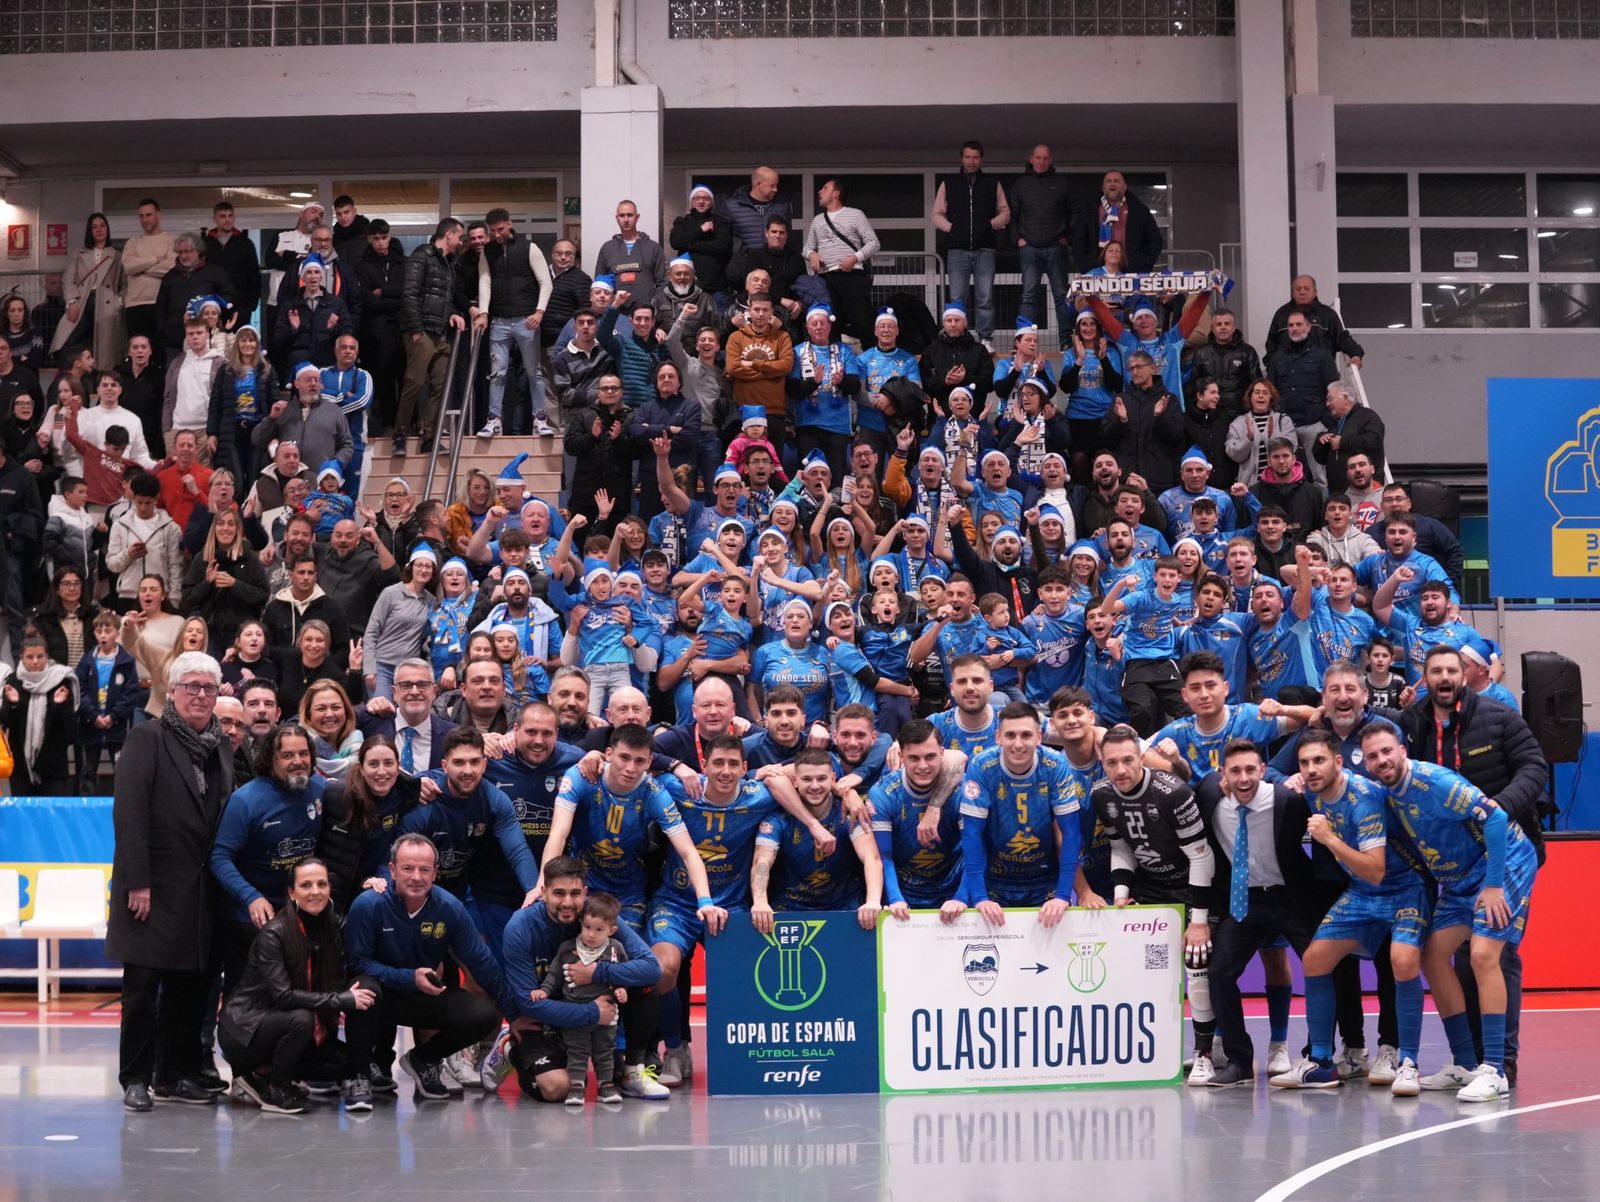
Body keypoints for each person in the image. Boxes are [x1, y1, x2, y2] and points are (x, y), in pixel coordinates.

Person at [1358, 721, 1538, 1103]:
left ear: (1402, 751)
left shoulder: (1434, 781)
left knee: (1483, 955)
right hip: (1458, 882)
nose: (1381, 760)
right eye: (1372, 756)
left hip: (1501, 865)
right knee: (1433, 955)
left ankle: (1495, 1071)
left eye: (1386, 751)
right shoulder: (1386, 794)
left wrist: (1492, 885)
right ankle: (1465, 1063)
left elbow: (1497, 818)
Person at [1268, 730, 1431, 1095]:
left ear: (1338, 762)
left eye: (1319, 761)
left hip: (1403, 890)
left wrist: (1328, 840)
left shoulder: (1364, 799)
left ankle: (1408, 1063)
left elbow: (1375, 869)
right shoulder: (1312, 788)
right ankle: (1322, 1063)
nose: (1311, 769)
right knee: (1315, 960)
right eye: (1305, 763)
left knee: (1403, 963)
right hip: (1361, 894)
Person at [106, 650, 233, 1111]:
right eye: (192, 687)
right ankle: (135, 1078)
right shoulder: (147, 738)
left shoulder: (220, 744)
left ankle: (173, 1074)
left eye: (209, 688)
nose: (201, 695)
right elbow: (130, 815)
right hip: (151, 888)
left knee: (190, 988)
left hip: (200, 888)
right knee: (141, 988)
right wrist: (137, 881)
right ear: (173, 692)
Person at [343, 831, 518, 1103]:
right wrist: (409, 978)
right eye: (408, 868)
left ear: (436, 872)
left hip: (421, 998)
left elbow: (483, 963)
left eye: (425, 869)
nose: (416, 877)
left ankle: (424, 1059)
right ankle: (360, 1075)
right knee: (362, 989)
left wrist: (514, 1014)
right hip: (379, 995)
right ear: (392, 870)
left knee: (485, 1014)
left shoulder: (449, 908)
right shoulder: (368, 905)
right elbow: (356, 963)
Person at [1092, 725, 1217, 1084]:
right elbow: (1120, 849)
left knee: (1198, 969)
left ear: (1141, 758)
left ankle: (1205, 1052)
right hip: (1152, 891)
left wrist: (1198, 920)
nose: (1121, 770)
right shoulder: (1102, 795)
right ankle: (1154, 1054)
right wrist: (1120, 894)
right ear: (1102, 763)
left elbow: (1201, 856)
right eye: (1112, 763)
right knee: (1148, 973)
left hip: (1192, 887)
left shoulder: (1172, 792)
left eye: (1128, 760)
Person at [1194, 739, 1320, 1088]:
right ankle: (1238, 1061)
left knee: (1322, 967)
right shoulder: (1211, 799)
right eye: (1235, 771)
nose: (1244, 777)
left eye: (1251, 769)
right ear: (1224, 775)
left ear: (1263, 771)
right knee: (1218, 971)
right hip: (1243, 902)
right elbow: (1200, 787)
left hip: (1290, 898)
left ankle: (1316, 1054)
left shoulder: (1287, 801)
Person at [217, 858, 376, 1114]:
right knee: (300, 1019)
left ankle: (261, 1074)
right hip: (245, 1029)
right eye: (306, 885)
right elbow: (284, 997)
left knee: (343, 1064)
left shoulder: (332, 926)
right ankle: (275, 1089)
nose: (315, 891)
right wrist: (343, 1000)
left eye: (322, 884)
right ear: (292, 893)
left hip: (288, 1023)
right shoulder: (274, 933)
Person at [943, 701, 1083, 924]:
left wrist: (1063, 895)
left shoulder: (1056, 765)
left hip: (1045, 883)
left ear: (1039, 737)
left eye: (1026, 735)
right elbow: (971, 835)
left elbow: (1071, 834)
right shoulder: (981, 766)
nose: (1018, 744)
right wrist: (978, 897)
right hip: (995, 884)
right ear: (998, 737)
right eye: (1010, 736)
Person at [531, 890, 634, 1106]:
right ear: (580, 924)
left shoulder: (616, 950)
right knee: (577, 1050)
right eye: (587, 927)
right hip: (574, 1013)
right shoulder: (568, 948)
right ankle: (576, 1085)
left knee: (605, 1050)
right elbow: (555, 975)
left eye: (598, 930)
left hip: (606, 1016)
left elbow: (622, 973)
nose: (591, 934)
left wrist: (621, 988)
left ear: (612, 930)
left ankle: (606, 1084)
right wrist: (545, 991)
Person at [474, 207, 555, 438]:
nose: (497, 234)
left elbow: (545, 283)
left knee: (533, 371)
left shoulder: (529, 248)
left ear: (509, 224)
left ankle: (539, 419)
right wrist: (483, 313)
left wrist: (539, 311)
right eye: (493, 231)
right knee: (497, 373)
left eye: (500, 229)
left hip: (526, 319)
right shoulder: (487, 251)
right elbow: (485, 281)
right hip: (499, 320)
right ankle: (494, 419)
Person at [396, 217, 467, 459]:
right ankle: (400, 435)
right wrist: (416, 329)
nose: (460, 242)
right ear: (448, 234)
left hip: (441, 331)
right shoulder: (422, 256)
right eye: (459, 236)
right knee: (414, 383)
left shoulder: (449, 263)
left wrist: (454, 314)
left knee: (440, 385)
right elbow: (410, 293)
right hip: (422, 330)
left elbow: (444, 298)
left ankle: (431, 437)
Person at [932, 141, 1010, 345]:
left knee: (985, 299)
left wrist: (990, 225)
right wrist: (951, 228)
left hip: (985, 249)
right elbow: (936, 214)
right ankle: (959, 338)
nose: (971, 161)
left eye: (975, 157)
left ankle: (985, 339)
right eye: (967, 157)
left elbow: (1005, 212)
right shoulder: (949, 183)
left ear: (981, 159)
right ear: (962, 159)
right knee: (958, 299)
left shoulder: (992, 183)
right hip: (957, 250)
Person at [1265, 311, 1341, 482]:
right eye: (1291, 325)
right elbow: (1271, 390)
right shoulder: (1277, 358)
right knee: (1282, 473)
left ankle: (1321, 509)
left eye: (1299, 324)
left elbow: (1333, 389)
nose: (1294, 328)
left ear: (1308, 327)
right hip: (1284, 425)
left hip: (1314, 424)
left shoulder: (1322, 355)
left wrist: (1326, 421)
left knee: (1320, 477)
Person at [803, 177, 879, 342]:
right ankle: (834, 360)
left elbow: (874, 243)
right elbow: (807, 247)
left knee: (862, 319)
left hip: (852, 276)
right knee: (831, 321)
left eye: (825, 188)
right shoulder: (817, 220)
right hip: (826, 277)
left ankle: (871, 360)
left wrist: (854, 258)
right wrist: (812, 255)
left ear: (836, 193)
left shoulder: (855, 214)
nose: (819, 192)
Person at [1, 635, 78, 794]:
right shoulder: (14, 681)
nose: (35, 661)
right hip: (21, 768)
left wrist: (58, 706)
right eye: (30, 657)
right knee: (24, 817)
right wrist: (14, 704)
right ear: (21, 658)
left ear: (47, 656)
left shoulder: (62, 681)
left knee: (52, 818)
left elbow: (71, 732)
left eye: (40, 656)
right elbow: (4, 723)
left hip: (53, 767)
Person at [53, 212, 127, 369]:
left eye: (102, 226)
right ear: (89, 231)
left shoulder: (117, 256)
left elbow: (125, 283)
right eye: (94, 227)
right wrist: (71, 302)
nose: (99, 229)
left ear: (107, 229)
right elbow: (69, 280)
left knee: (104, 350)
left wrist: (118, 302)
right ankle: (70, 377)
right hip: (83, 301)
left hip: (106, 304)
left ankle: (99, 382)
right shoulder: (79, 255)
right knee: (70, 340)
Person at [1072, 168, 1165, 275]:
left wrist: (1143, 264)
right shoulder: (1089, 210)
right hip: (1098, 271)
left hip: (1131, 270)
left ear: (1125, 187)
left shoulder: (1139, 210)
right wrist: (1086, 266)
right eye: (1108, 181)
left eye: (1116, 181)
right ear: (1103, 187)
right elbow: (1078, 240)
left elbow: (1155, 240)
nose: (1112, 184)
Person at [1264, 275, 1365, 365]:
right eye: (1298, 289)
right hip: (1287, 377)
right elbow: (1271, 344)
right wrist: (1272, 367)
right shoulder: (1281, 314)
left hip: (1321, 375)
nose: (1302, 292)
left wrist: (1355, 354)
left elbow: (1342, 338)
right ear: (1293, 292)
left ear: (1315, 292)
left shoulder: (1328, 315)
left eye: (1307, 288)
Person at [120, 198, 176, 360]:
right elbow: (129, 266)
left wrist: (141, 266)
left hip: (160, 305)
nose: (145, 219)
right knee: (137, 355)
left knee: (159, 354)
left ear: (159, 215)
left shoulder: (170, 241)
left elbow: (170, 268)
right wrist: (154, 259)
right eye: (141, 216)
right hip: (135, 306)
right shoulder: (132, 243)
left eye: (149, 215)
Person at [594, 199, 667, 311]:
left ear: (637, 217)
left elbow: (663, 283)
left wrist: (653, 306)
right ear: (617, 218)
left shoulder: (653, 248)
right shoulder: (607, 248)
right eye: (622, 215)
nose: (626, 219)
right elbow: (600, 283)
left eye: (630, 215)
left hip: (645, 314)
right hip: (616, 313)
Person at [1313, 384, 1385, 495]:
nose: (1327, 404)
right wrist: (1321, 441)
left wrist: (1342, 442)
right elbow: (1321, 458)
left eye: (1330, 399)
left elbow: (1373, 441)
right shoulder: (1336, 424)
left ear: (1345, 397)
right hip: (1338, 493)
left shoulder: (1368, 416)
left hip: (1366, 492)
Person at [1189, 308, 1262, 417]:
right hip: (1210, 415)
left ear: (1234, 327)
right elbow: (1194, 387)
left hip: (1240, 415)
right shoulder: (1201, 353)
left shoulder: (1247, 352)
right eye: (1219, 324)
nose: (1223, 327)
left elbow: (1256, 385)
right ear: (1212, 328)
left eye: (1227, 324)